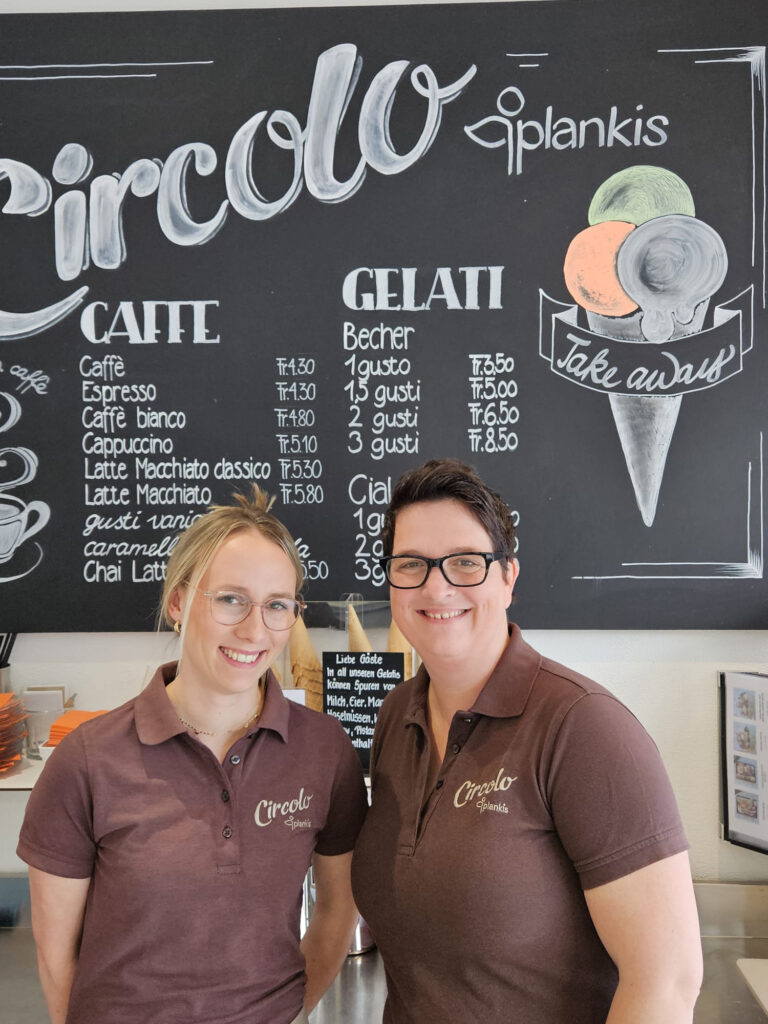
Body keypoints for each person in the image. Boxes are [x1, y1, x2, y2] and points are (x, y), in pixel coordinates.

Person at [351, 458, 702, 1023]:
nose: (437, 586)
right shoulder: (397, 714)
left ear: (508, 577)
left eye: (466, 562)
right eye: (411, 564)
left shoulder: (584, 729)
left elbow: (666, 982)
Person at [18, 485, 367, 1024]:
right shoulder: (86, 761)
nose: (254, 630)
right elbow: (55, 954)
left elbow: (338, 910)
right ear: (178, 603)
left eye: (277, 605)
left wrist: (288, 1011)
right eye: (230, 599)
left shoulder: (324, 751)